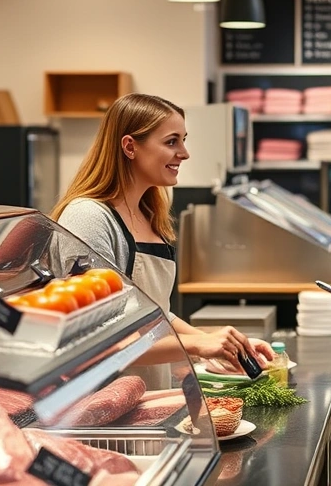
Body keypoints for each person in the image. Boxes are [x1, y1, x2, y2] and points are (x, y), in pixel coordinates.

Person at [52, 93, 275, 372]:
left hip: (147, 396)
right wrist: (197, 346)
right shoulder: (88, 217)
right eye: (172, 142)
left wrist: (225, 345)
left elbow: (154, 314)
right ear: (130, 147)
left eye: (183, 139)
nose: (184, 153)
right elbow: (98, 339)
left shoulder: (148, 214)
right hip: (105, 402)